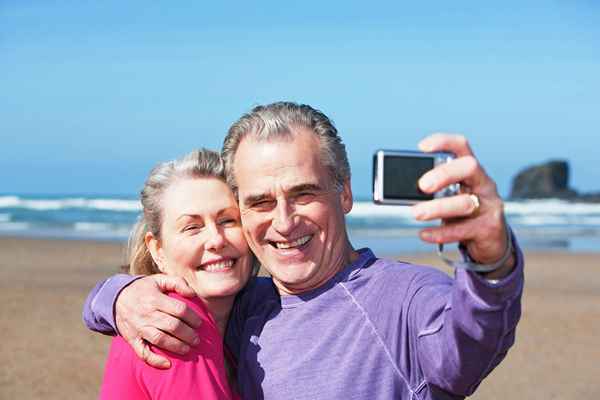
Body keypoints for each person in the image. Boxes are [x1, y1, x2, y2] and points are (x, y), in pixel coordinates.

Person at [84, 102, 524, 399]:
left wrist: (491, 262)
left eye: (304, 193)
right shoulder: (243, 304)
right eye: (259, 202)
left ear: (344, 192)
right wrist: (119, 295)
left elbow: (471, 339)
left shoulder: (404, 299)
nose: (283, 220)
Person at [96, 149, 253, 399]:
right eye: (192, 227)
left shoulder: (247, 321)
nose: (215, 239)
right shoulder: (171, 321)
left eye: (228, 221)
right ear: (158, 250)